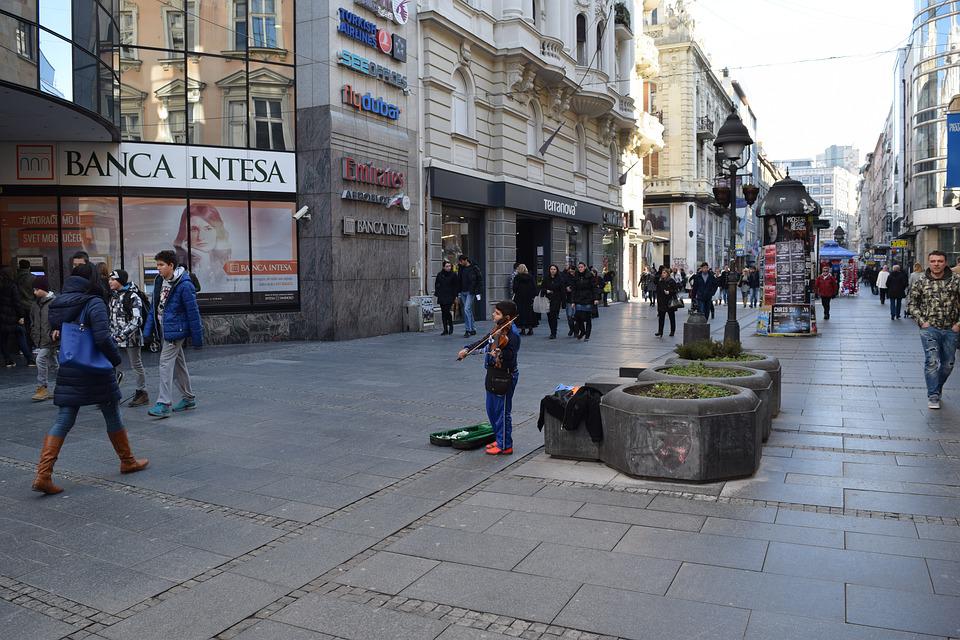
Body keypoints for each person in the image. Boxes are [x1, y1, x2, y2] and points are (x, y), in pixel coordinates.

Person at [31, 264, 149, 495]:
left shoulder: (61, 301)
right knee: (112, 412)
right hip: (95, 368)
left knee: (64, 418)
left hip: (70, 366)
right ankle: (127, 461)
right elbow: (103, 337)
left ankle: (43, 474)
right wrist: (115, 359)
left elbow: (55, 330)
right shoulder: (93, 302)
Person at [144, 250, 203, 419]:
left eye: (161, 265)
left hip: (175, 330)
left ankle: (163, 403)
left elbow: (193, 312)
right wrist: (148, 331)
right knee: (178, 364)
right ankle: (188, 398)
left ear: (171, 265)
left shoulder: (184, 284)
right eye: (157, 265)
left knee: (165, 363)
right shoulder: (159, 281)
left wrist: (197, 338)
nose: (158, 269)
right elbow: (155, 307)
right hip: (165, 327)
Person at [458, 300, 520, 456]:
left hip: (505, 375)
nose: (493, 314)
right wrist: (468, 349)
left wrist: (499, 354)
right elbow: (483, 342)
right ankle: (499, 439)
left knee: (502, 411)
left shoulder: (513, 334)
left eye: (497, 313)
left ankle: (505, 445)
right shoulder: (497, 329)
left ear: (507, 317)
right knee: (491, 409)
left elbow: (511, 356)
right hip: (493, 373)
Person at [907, 250, 960, 410]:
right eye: (933, 261)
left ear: (945, 262)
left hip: (951, 328)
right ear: (929, 262)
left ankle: (936, 386)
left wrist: (958, 324)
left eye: (940, 261)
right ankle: (933, 395)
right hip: (929, 329)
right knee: (932, 361)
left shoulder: (956, 281)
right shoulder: (920, 280)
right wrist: (922, 322)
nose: (936, 264)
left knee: (948, 364)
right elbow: (911, 304)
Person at [174, 204, 240, 294]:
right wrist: (204, 260)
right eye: (194, 229)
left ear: (217, 232)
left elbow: (229, 295)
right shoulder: (178, 267)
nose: (200, 237)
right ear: (184, 233)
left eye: (208, 228)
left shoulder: (228, 263)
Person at [108, 269, 150, 406]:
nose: (110, 282)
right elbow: (111, 318)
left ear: (120, 281)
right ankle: (113, 394)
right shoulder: (113, 296)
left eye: (113, 279)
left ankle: (142, 393)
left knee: (136, 365)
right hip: (115, 338)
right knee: (115, 366)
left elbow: (137, 320)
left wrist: (122, 335)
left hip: (132, 338)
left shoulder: (132, 296)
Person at [29, 276, 58, 402]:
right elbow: (33, 320)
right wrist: (33, 333)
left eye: (36, 289)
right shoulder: (35, 304)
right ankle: (62, 386)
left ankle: (42, 387)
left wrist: (55, 332)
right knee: (54, 364)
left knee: (40, 359)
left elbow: (58, 319)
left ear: (43, 289)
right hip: (41, 339)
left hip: (50, 338)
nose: (34, 292)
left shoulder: (54, 302)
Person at [0, 266, 33, 367]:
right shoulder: (12, 286)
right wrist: (21, 316)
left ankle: (8, 360)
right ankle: (29, 359)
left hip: (2, 318)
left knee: (3, 339)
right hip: (13, 317)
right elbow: (17, 303)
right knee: (21, 336)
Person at [571, 262, 600, 341]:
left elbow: (594, 288)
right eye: (579, 267)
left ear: (585, 267)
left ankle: (587, 335)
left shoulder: (590, 276)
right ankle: (583, 331)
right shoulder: (576, 276)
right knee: (578, 317)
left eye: (581, 267)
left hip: (588, 299)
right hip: (578, 299)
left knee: (587, 318)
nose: (580, 268)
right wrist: (573, 301)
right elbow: (573, 289)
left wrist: (596, 298)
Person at [457, 255, 483, 338]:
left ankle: (468, 330)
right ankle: (473, 329)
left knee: (466, 309)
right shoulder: (461, 268)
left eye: (461, 261)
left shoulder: (474, 268)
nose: (460, 263)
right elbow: (459, 279)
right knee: (468, 310)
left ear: (465, 260)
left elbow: (479, 280)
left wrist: (478, 292)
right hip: (462, 291)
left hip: (470, 291)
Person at [511, 264, 538, 335]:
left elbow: (514, 288)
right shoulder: (531, 277)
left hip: (519, 298)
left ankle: (522, 329)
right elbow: (534, 287)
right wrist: (533, 295)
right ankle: (530, 328)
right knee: (529, 312)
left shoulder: (517, 277)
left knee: (521, 312)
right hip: (529, 298)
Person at [434, 260, 458, 336]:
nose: (448, 268)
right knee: (443, 312)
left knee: (447, 311)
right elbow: (437, 284)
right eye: (447, 266)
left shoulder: (453, 275)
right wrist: (437, 292)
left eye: (449, 266)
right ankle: (445, 329)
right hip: (442, 295)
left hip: (450, 295)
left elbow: (455, 286)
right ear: (443, 267)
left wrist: (455, 295)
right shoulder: (440, 274)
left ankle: (450, 325)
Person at [539, 264, 564, 339]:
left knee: (554, 316)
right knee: (549, 317)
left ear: (557, 270)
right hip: (547, 300)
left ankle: (554, 332)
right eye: (551, 269)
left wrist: (563, 302)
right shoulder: (546, 278)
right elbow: (542, 288)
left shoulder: (560, 279)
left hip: (556, 300)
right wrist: (546, 291)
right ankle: (552, 331)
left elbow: (562, 291)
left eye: (554, 269)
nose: (552, 271)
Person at [654, 266, 680, 338]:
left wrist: (669, 292)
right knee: (661, 317)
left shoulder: (671, 281)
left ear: (668, 274)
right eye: (662, 273)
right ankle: (660, 331)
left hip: (669, 302)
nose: (663, 274)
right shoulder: (660, 281)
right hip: (661, 302)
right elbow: (655, 281)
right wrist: (658, 273)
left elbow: (676, 290)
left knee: (671, 317)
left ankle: (672, 331)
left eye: (664, 273)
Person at [16, 260, 35, 348]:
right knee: (31, 326)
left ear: (19, 267)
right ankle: (31, 345)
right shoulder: (33, 277)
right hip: (31, 306)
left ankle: (22, 347)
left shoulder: (15, 277)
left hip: (19, 307)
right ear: (29, 267)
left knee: (21, 328)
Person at [562, 264, 577, 336]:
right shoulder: (566, 277)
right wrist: (566, 288)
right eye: (570, 271)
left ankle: (576, 331)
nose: (571, 272)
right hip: (569, 299)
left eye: (572, 271)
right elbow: (562, 286)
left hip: (578, 299)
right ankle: (572, 329)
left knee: (577, 317)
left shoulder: (578, 277)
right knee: (569, 316)